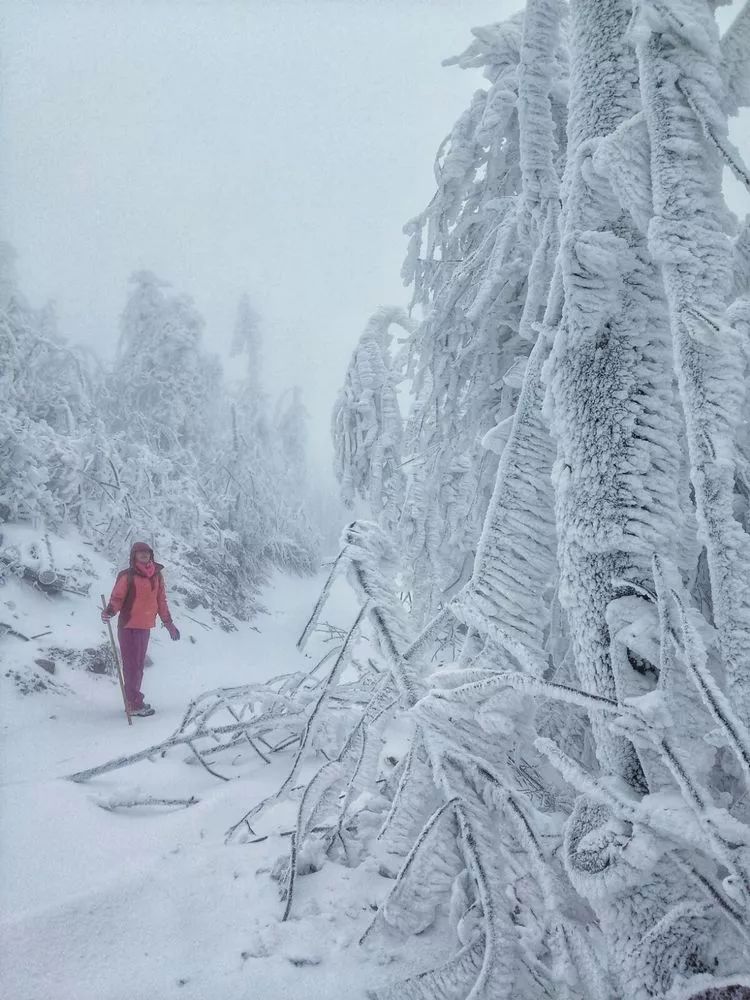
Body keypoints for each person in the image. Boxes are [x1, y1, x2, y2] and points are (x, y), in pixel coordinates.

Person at [101, 541, 180, 717]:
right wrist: (110, 611)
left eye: (147, 552)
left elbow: (161, 601)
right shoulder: (127, 576)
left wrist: (169, 624)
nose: (144, 555)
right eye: (140, 552)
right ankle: (133, 704)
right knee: (131, 666)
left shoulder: (157, 576)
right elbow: (117, 598)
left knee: (138, 667)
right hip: (128, 626)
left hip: (144, 627)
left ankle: (135, 700)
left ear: (151, 555)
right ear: (134, 556)